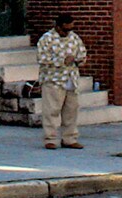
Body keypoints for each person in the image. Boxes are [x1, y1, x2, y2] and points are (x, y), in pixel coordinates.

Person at [35, 11, 88, 149]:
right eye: (66, 29)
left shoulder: (74, 38)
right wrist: (61, 61)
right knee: (51, 111)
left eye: (71, 29)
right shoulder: (46, 39)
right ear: (58, 26)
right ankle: (50, 139)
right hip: (53, 79)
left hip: (71, 79)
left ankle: (69, 138)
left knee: (71, 111)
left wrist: (77, 59)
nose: (68, 32)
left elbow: (82, 54)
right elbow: (42, 58)